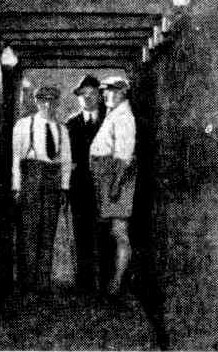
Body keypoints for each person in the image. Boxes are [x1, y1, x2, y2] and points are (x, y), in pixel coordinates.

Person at [12, 85, 71, 292]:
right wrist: (17, 187)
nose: (47, 105)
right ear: (37, 102)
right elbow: (16, 159)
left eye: (52, 101)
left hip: (53, 182)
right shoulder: (24, 125)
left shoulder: (62, 129)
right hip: (31, 178)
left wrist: (64, 188)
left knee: (48, 231)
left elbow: (66, 161)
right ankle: (26, 284)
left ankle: (43, 283)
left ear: (56, 103)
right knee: (29, 231)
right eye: (43, 101)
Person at [90, 76, 137, 297]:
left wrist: (116, 185)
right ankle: (113, 282)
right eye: (105, 91)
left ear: (122, 93)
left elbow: (124, 157)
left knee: (119, 232)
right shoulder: (114, 114)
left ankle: (117, 283)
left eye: (110, 91)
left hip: (116, 178)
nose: (106, 95)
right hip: (108, 177)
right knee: (114, 231)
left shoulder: (124, 117)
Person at [65, 74, 106, 291]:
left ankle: (105, 281)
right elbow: (66, 158)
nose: (87, 98)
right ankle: (84, 282)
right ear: (78, 98)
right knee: (81, 232)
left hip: (105, 187)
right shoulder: (71, 124)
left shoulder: (109, 122)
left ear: (100, 97)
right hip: (79, 188)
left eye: (92, 94)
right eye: (83, 95)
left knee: (104, 232)